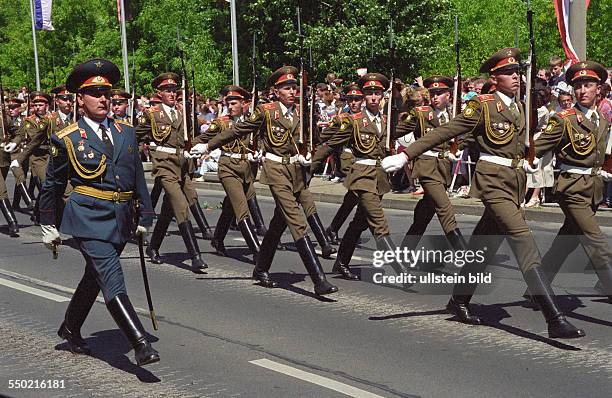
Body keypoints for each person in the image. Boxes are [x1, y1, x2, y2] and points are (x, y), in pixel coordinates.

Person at [382, 48, 584, 339]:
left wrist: (531, 158)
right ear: (495, 77)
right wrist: (405, 155)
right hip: (493, 182)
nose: (515, 77)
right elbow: (445, 131)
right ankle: (554, 317)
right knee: (522, 239)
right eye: (508, 73)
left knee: (483, 245)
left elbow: (524, 147)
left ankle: (459, 300)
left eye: (517, 73)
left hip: (514, 183)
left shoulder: (520, 107)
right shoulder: (481, 106)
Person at [39, 58, 159, 366]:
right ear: (81, 99)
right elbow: (52, 184)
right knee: (110, 276)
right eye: (94, 93)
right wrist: (48, 224)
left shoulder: (126, 132)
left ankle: (70, 326)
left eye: (106, 93)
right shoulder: (67, 138)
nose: (103, 99)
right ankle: (140, 343)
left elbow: (137, 178)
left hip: (120, 218)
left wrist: (145, 215)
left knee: (95, 276)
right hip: (87, 217)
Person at [192, 66, 338, 295]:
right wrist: (209, 145)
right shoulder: (266, 111)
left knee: (277, 226)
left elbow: (315, 139)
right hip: (276, 169)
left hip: (296, 170)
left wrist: (311, 155)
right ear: (276, 91)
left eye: (293, 87)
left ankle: (261, 268)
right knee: (296, 220)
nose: (291, 91)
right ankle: (319, 280)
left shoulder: (302, 112)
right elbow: (239, 130)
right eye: (286, 88)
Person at [525, 61, 612, 303]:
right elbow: (537, 148)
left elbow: (603, 156)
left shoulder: (602, 121)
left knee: (566, 241)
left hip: (592, 188)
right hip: (571, 187)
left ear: (598, 90)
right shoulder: (564, 119)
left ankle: (536, 289)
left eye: (588, 85)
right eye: (578, 86)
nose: (583, 91)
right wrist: (518, 161)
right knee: (595, 241)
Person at [324, 73, 407, 281]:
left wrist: (397, 94)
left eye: (377, 93)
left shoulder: (386, 121)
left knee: (359, 222)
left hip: (378, 177)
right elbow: (329, 142)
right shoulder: (354, 121)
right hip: (361, 176)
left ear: (382, 97)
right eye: (369, 93)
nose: (373, 97)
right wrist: (309, 166)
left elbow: (406, 116)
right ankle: (400, 270)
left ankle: (341, 263)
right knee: (379, 222)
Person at [136, 72, 209, 274]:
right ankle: (195, 256)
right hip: (164, 164)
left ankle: (153, 246)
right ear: (159, 93)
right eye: (167, 90)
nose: (172, 93)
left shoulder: (182, 113)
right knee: (181, 205)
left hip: (182, 165)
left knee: (171, 209)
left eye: (174, 90)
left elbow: (192, 137)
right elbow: (136, 136)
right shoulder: (151, 114)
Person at [395, 75, 468, 256]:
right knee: (445, 208)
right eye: (433, 93)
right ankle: (465, 255)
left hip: (444, 166)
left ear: (449, 96)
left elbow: (469, 135)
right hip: (426, 166)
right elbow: (398, 131)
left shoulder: (456, 115)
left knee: (425, 213)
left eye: (440, 93)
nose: (435, 97)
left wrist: (459, 147)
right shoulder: (421, 113)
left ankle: (404, 252)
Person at [192, 85, 261, 259]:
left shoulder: (252, 120)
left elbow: (263, 140)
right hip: (228, 166)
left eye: (234, 102)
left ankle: (217, 238)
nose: (230, 106)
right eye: (228, 103)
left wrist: (260, 151)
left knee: (230, 206)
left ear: (244, 103)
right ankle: (258, 253)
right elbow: (203, 139)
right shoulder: (222, 122)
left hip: (246, 168)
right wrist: (187, 147)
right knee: (241, 209)